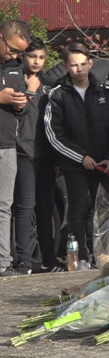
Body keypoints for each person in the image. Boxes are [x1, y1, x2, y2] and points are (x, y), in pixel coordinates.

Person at [44, 43, 109, 268]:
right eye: (73, 65)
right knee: (78, 210)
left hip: (103, 164)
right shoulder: (57, 95)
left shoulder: (106, 92)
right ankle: (80, 259)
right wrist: (81, 158)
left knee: (101, 211)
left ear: (91, 63)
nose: (79, 69)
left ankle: (104, 257)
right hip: (75, 165)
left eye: (83, 64)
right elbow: (54, 135)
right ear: (65, 66)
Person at [13, 37, 57, 273]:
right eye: (32, 56)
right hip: (23, 153)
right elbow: (15, 118)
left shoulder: (50, 85)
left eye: (41, 57)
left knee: (46, 207)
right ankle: (24, 261)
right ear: (23, 56)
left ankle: (49, 259)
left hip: (47, 155)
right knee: (25, 206)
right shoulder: (15, 81)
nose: (37, 61)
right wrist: (27, 92)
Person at [0, 19, 30, 277]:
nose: (15, 55)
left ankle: (2, 263)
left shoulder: (15, 68)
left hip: (7, 142)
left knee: (4, 204)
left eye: (19, 52)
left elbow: (20, 102)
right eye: (11, 49)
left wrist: (20, 104)